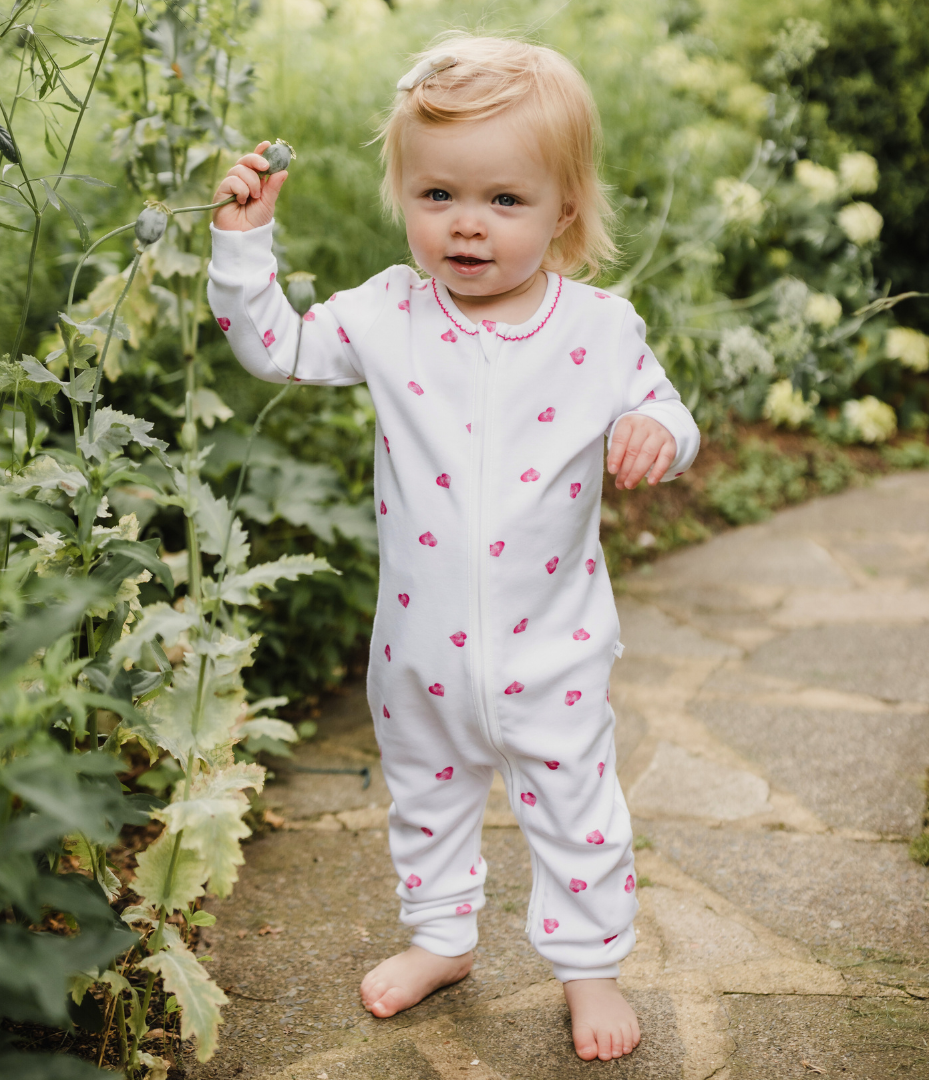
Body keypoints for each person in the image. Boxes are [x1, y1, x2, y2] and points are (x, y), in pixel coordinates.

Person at [205, 34, 700, 1063]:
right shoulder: (389, 313)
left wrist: (657, 431)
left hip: (551, 651)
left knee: (576, 808)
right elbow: (277, 349)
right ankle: (441, 938)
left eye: (505, 202)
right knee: (426, 799)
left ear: (564, 207)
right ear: (404, 195)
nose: (467, 224)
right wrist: (245, 247)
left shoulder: (600, 330)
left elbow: (666, 408)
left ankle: (590, 964)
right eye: (438, 195)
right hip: (418, 649)